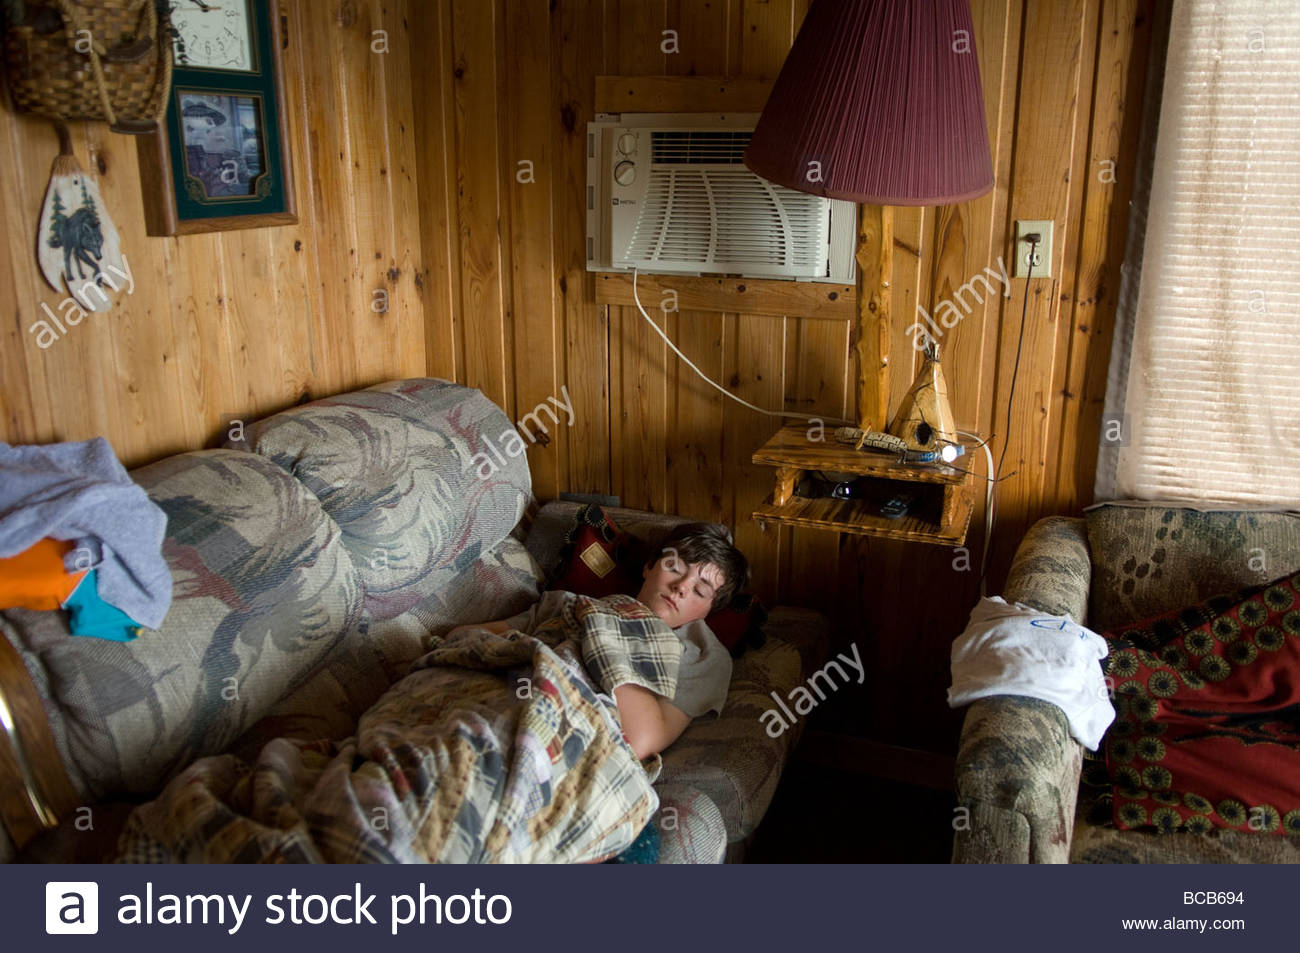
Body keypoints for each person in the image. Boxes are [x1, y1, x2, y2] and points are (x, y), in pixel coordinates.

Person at [452, 522, 749, 760]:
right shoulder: (568, 603)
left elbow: (642, 742)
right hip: (484, 699)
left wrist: (607, 635)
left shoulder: (702, 655)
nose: (681, 587)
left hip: (559, 731)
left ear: (708, 611)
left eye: (700, 590)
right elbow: (461, 638)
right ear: (649, 567)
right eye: (675, 567)